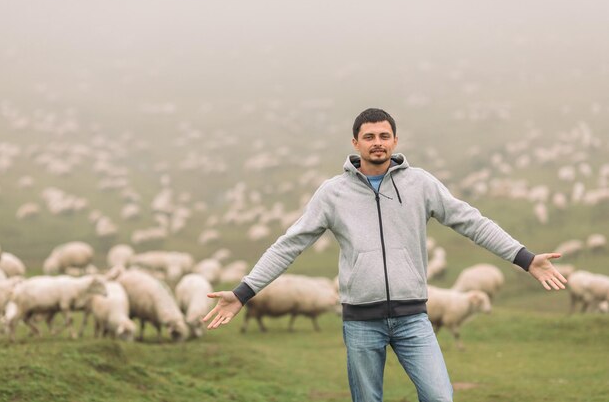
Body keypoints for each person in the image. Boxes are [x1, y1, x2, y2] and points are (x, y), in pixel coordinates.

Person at [203, 108, 567, 402]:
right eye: (369, 137)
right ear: (355, 142)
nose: (377, 143)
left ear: (395, 140)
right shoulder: (333, 194)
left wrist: (526, 258)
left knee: (440, 397)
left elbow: (472, 222)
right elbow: (289, 244)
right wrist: (242, 293)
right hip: (361, 322)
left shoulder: (420, 184)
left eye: (384, 136)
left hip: (413, 318)